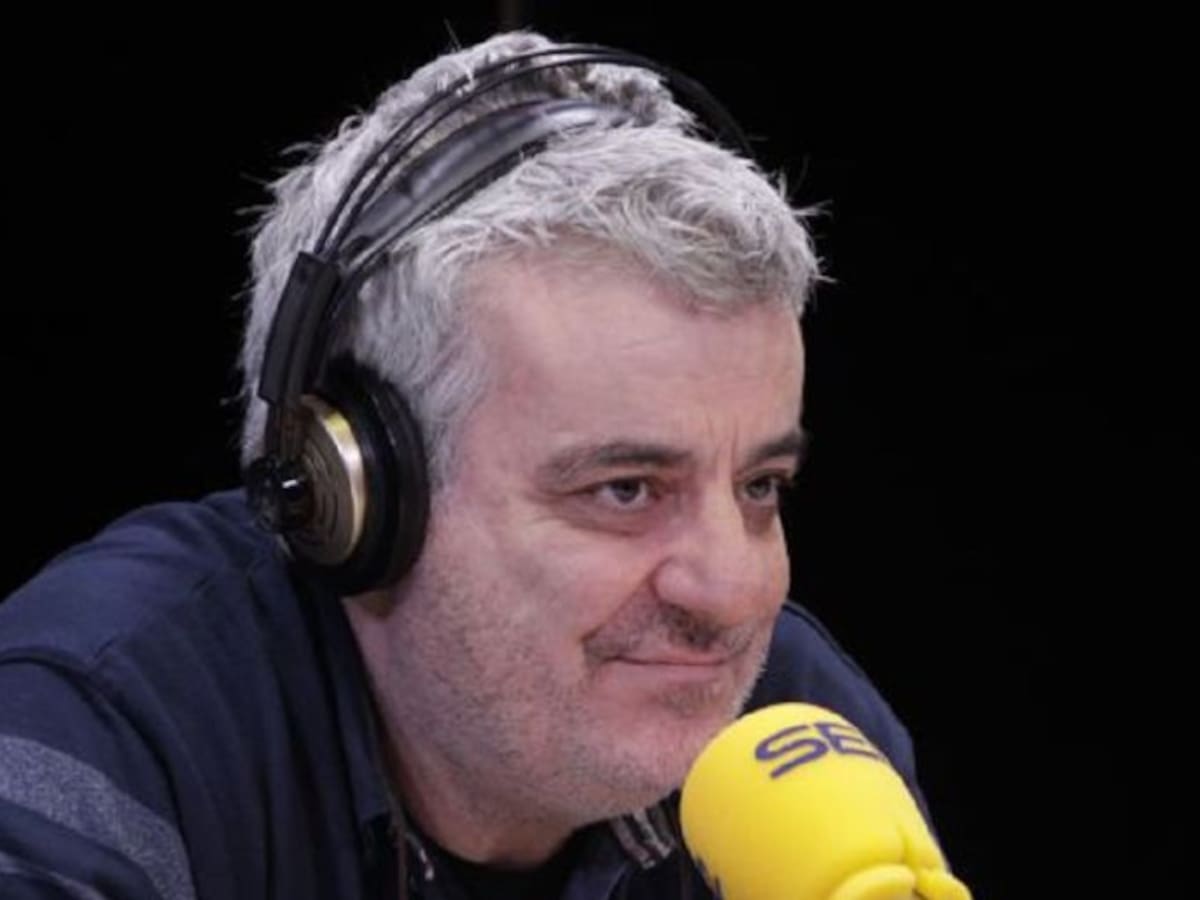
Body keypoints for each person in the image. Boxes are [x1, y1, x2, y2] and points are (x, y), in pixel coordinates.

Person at [1, 31, 939, 899]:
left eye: (759, 488)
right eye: (624, 491)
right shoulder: (97, 716)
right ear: (354, 499)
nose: (731, 594)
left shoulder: (792, 743)